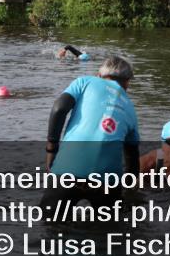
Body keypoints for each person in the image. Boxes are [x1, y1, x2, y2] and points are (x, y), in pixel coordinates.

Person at [43, 56, 140, 207]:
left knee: (49, 223)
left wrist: (51, 149)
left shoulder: (84, 82)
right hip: (106, 184)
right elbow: (132, 157)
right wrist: (129, 191)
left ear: (99, 75)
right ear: (127, 82)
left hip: (67, 172)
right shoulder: (130, 108)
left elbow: (59, 109)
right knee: (106, 228)